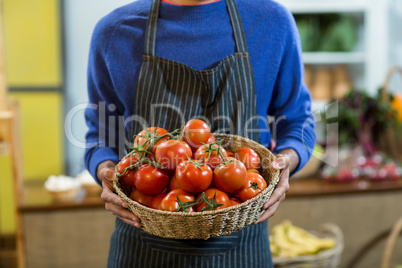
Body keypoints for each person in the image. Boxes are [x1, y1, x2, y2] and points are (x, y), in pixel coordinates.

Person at [84, 0, 316, 266]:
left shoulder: (272, 23)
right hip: (141, 246)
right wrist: (105, 171)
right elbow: (99, 136)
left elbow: (300, 121)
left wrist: (287, 160)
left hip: (243, 248)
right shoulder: (114, 32)